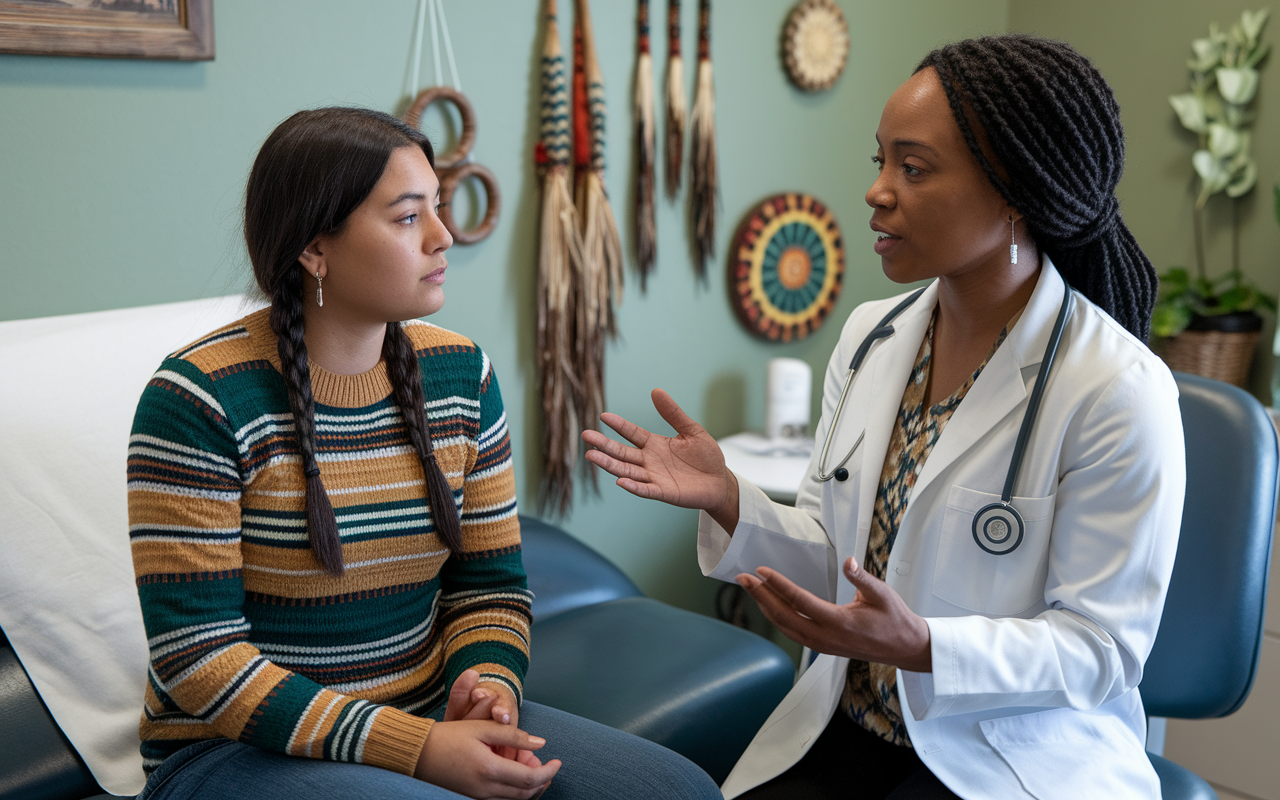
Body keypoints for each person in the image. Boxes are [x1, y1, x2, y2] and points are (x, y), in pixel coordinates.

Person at [583, 34, 1185, 800]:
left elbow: (1102, 649)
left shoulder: (1118, 388)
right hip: (850, 723)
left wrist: (927, 646)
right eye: (880, 161)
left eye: (914, 166)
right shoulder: (870, 336)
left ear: (1013, 192)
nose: (877, 191)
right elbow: (843, 564)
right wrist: (731, 500)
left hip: (1007, 752)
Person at [127, 107, 722, 800]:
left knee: (678, 791)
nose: (445, 237)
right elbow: (198, 659)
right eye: (409, 217)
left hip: (426, 714)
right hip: (231, 753)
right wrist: (413, 748)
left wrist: (488, 687)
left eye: (437, 209)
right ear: (315, 248)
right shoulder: (197, 399)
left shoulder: (461, 376)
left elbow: (490, 587)